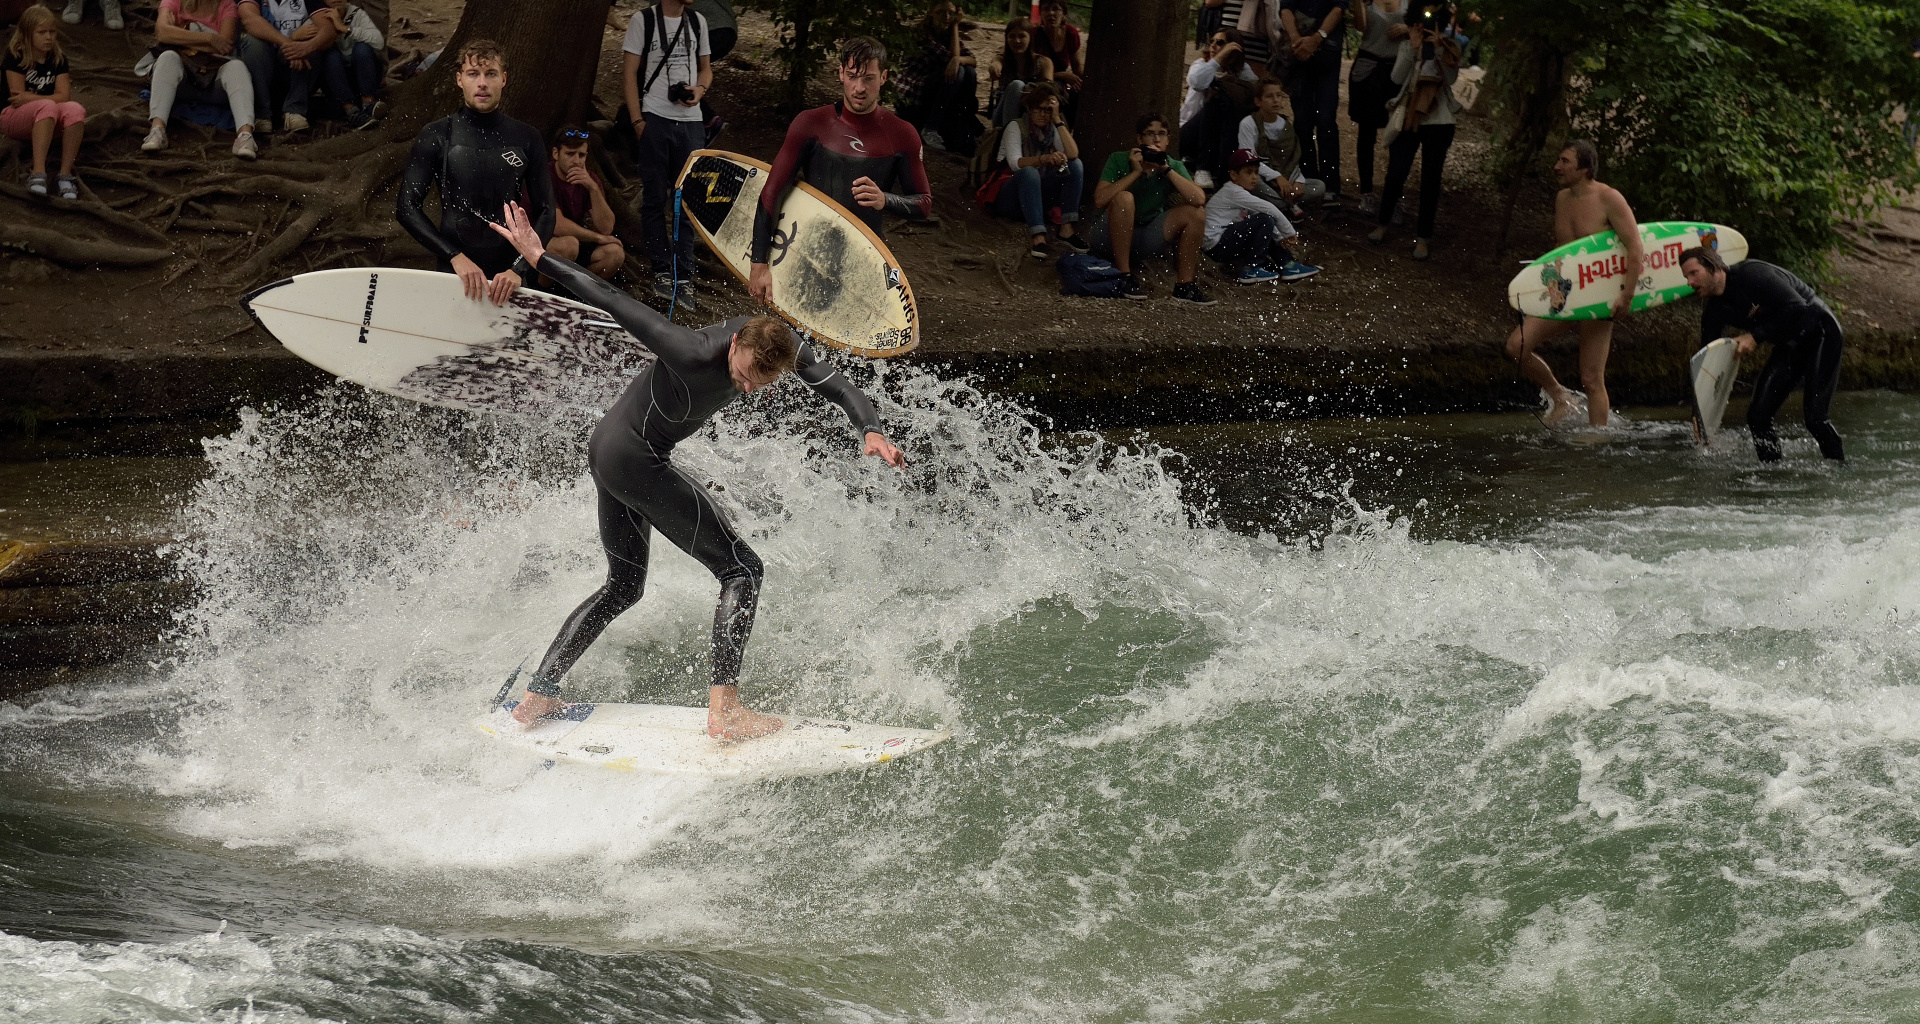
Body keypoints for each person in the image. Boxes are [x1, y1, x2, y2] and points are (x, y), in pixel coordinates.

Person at [485, 200, 908, 740]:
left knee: (623, 587)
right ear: (736, 343)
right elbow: (613, 299)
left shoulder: (781, 346)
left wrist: (868, 427)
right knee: (742, 570)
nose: (749, 387)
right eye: (745, 374)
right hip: (632, 456)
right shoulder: (689, 349)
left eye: (763, 382)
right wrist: (540, 258)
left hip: (610, 452)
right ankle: (725, 709)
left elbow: (840, 386)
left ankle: (538, 695)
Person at [747, 36, 931, 305]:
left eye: (868, 78)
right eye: (853, 76)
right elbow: (771, 193)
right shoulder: (810, 124)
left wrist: (885, 199)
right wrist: (759, 263)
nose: (859, 88)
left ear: (884, 77)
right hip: (806, 254)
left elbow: (924, 203)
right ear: (841, 74)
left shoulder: (902, 135)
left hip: (863, 259)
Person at [396, 39, 555, 306]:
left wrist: (520, 268)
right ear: (460, 80)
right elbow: (406, 208)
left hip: (510, 279)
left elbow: (547, 210)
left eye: (490, 74)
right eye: (473, 74)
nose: (482, 83)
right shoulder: (437, 135)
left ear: (503, 79)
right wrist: (454, 256)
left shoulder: (526, 138)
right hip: (455, 274)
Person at [1501, 141, 1641, 428]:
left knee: (1591, 378)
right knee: (1517, 347)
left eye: (1565, 161)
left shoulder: (1609, 198)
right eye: (1558, 160)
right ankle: (1561, 397)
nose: (1557, 167)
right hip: (1564, 292)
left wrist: (1627, 295)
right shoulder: (1561, 199)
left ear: (1585, 168)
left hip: (1600, 294)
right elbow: (1563, 251)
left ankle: (1598, 440)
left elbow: (1636, 247)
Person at [1681, 247, 1845, 463]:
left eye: (1694, 273)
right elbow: (1706, 363)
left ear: (1714, 267)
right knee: (1758, 417)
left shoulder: (1752, 274)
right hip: (1790, 344)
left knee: (1815, 419)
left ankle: (1840, 469)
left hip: (1822, 332)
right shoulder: (1714, 311)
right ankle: (1772, 475)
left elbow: (1799, 309)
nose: (1689, 282)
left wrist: (1756, 336)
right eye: (1686, 277)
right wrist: (1699, 415)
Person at [622, 0, 711, 309]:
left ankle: (684, 276)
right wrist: (638, 120)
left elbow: (706, 69)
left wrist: (700, 90)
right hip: (655, 120)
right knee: (654, 198)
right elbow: (629, 72)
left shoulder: (697, 21)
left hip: (691, 123)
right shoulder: (642, 21)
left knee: (686, 202)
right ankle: (661, 271)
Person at [1366, 0, 1461, 261]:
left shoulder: (1447, 47)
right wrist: (1413, 49)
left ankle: (1423, 238)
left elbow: (1450, 80)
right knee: (1396, 172)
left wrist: (1439, 48)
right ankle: (1383, 223)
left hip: (1439, 120)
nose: (1425, 27)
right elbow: (1397, 79)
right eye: (1420, 24)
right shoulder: (1408, 45)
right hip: (1409, 117)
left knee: (1431, 179)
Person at [1089, 112, 1213, 305]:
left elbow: (1198, 198)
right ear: (1139, 139)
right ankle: (1123, 276)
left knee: (1196, 213)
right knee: (1124, 198)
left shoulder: (1172, 165)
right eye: (1150, 133)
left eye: (1162, 133)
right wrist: (1136, 172)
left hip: (1145, 237)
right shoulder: (1119, 159)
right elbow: (1100, 200)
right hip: (1108, 236)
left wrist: (1166, 170)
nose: (1156, 139)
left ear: (1168, 139)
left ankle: (1185, 286)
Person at [141, 0, 257, 159]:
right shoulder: (174, 1)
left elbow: (225, 46)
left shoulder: (227, 5)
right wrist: (209, 38)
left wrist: (179, 36)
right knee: (168, 57)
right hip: (182, 81)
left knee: (237, 67)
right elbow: (162, 33)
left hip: (214, 80)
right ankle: (157, 131)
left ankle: (245, 135)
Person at [989, 82, 1084, 259]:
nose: (1042, 114)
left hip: (1036, 195)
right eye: (1038, 109)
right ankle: (1038, 237)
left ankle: (1067, 229)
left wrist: (1057, 120)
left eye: (1047, 110)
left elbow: (1073, 153)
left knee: (1075, 165)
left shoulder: (1052, 129)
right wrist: (1043, 159)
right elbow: (1015, 163)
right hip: (1010, 196)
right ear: (1029, 108)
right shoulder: (1016, 127)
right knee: (1029, 171)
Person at [1204, 148, 1321, 284]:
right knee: (1264, 219)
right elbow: (1269, 209)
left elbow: (1262, 218)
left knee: (1263, 220)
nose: (1254, 177)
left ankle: (1288, 265)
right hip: (1216, 246)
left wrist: (1279, 237)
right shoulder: (1233, 192)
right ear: (1234, 175)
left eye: (1256, 172)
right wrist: (1289, 232)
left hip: (1225, 242)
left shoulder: (1243, 194)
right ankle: (1251, 269)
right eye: (1248, 172)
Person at [3, 5, 84, 199]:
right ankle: (38, 172)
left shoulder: (58, 59)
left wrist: (32, 97)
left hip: (46, 116)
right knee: (48, 106)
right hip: (11, 117)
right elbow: (17, 99)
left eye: (52, 32)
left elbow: (65, 97)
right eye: (42, 32)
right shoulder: (15, 56)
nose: (48, 37)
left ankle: (65, 174)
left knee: (75, 110)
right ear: (27, 34)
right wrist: (44, 100)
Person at [1279, 0, 1347, 202]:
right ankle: (1309, 181)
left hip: (1328, 52)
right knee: (1302, 120)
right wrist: (1296, 40)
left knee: (1326, 119)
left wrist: (1316, 39)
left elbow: (1338, 9)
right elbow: (1286, 8)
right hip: (1298, 53)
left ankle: (1330, 184)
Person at [236, 0, 334, 134]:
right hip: (266, 63)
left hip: (297, 69)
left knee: (313, 39)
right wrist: (290, 45)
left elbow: (328, 28)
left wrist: (306, 47)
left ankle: (295, 110)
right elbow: (250, 21)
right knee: (253, 43)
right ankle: (262, 114)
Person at [1177, 28, 1258, 190]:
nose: (1213, 46)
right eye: (1211, 42)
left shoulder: (1243, 72)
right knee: (1215, 100)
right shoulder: (1201, 65)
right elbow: (1198, 82)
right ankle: (1202, 168)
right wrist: (1219, 58)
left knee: (1231, 103)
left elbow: (1254, 92)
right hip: (1189, 135)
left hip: (1216, 139)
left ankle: (1224, 173)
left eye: (1220, 42)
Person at [898, 1, 982, 154]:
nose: (947, 17)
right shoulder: (922, 34)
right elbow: (951, 58)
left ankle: (965, 118)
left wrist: (958, 59)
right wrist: (956, 27)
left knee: (969, 72)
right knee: (960, 72)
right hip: (914, 90)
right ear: (931, 12)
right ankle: (931, 127)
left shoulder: (948, 34)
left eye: (951, 13)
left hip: (937, 87)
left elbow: (972, 59)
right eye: (941, 12)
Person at [546, 123, 626, 281]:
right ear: (556, 154)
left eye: (581, 155)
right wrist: (597, 238)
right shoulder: (543, 176)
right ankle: (544, 289)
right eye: (570, 154)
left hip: (574, 244)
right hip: (540, 242)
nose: (576, 161)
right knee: (568, 245)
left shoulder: (590, 179)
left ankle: (577, 291)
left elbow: (606, 227)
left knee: (614, 253)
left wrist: (593, 189)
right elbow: (557, 225)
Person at [1348, 0, 1406, 213]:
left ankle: (1395, 197)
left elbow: (1425, 29)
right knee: (1366, 134)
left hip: (1398, 71)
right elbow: (1361, 27)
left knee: (1398, 135)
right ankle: (1367, 193)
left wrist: (1406, 28)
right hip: (1368, 71)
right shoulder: (1367, 2)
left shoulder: (1410, 3)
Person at [1237, 78, 1326, 213]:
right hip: (1263, 177)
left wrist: (1298, 181)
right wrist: (1276, 177)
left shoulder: (1285, 125)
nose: (1276, 100)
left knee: (1319, 186)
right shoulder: (1249, 124)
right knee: (1252, 181)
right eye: (1269, 96)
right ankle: (1286, 205)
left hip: (1286, 179)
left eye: (1279, 95)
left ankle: (1279, 204)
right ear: (1258, 101)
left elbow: (1292, 160)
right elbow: (1249, 160)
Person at [310, 0, 383, 128]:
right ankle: (351, 111)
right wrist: (295, 36)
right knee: (330, 54)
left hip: (363, 76)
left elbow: (379, 41)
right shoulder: (317, 16)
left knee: (362, 48)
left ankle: (368, 104)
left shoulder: (356, 13)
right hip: (336, 83)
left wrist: (345, 28)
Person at [988, 16, 1051, 127]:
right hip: (1003, 117)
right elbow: (996, 62)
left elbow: (1049, 90)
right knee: (1017, 85)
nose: (1017, 41)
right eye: (1012, 36)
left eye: (1022, 36)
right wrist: (995, 67)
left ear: (1030, 38)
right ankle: (1009, 135)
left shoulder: (1043, 63)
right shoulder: (1003, 60)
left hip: (1030, 114)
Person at [1029, 0, 1082, 123]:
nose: (1051, 13)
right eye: (1046, 9)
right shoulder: (1034, 35)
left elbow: (1077, 67)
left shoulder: (1070, 33)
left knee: (1077, 96)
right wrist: (1060, 75)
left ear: (1064, 14)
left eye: (1056, 9)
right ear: (1041, 14)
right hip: (1039, 82)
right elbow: (1029, 71)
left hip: (1062, 85)